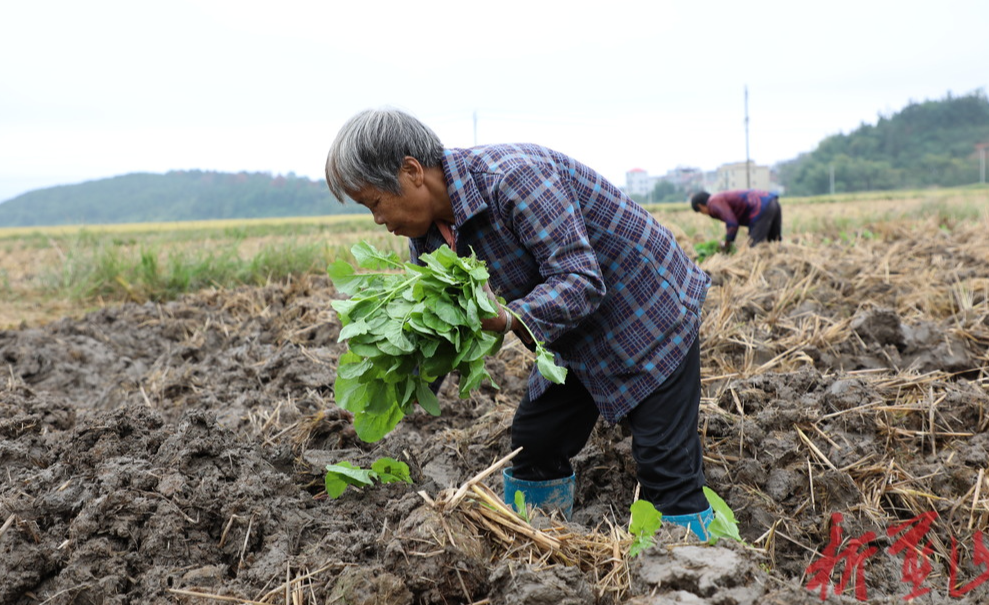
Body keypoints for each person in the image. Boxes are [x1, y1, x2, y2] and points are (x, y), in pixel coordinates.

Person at [325, 107, 715, 539]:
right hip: (570, 337)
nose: (378, 220)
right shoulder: (429, 239)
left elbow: (581, 280)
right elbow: (441, 334)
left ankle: (693, 568)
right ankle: (540, 551)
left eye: (375, 203)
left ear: (412, 171)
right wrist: (387, 393)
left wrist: (511, 318)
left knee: (664, 465)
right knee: (535, 443)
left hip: (647, 313)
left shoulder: (513, 177)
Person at [690, 189, 782, 251]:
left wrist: (726, 244)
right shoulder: (718, 198)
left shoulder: (713, 202)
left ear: (700, 206)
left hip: (761, 207)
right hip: (772, 202)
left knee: (754, 247)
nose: (705, 214)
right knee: (774, 241)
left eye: (701, 212)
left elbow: (732, 223)